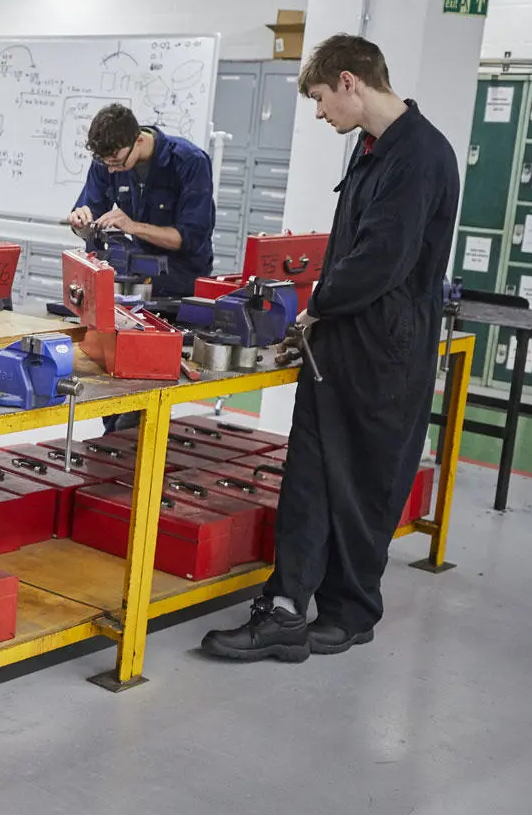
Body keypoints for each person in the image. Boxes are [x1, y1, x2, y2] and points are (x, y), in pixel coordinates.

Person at [200, 34, 458, 663]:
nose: (320, 114)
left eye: (320, 98)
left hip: (385, 348)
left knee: (365, 478)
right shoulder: (373, 149)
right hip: (347, 336)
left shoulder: (418, 155)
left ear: (349, 81)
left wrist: (315, 305)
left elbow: (382, 258)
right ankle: (288, 607)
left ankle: (347, 613)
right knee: (312, 471)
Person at [64, 103, 215, 300]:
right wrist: (80, 222)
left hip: (181, 283)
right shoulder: (108, 161)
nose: (111, 170)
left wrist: (132, 226)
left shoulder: (190, 162)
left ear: (140, 140)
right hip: (135, 276)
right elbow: (90, 217)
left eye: (117, 162)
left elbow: (188, 239)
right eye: (106, 163)